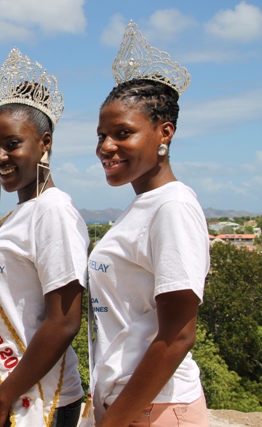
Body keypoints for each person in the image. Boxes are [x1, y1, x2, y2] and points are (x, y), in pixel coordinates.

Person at [88, 21, 210, 427]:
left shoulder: (172, 207)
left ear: (164, 133)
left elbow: (178, 335)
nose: (106, 147)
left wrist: (112, 422)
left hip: (156, 410)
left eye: (123, 133)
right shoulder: (142, 207)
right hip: (128, 406)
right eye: (102, 135)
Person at [0, 48, 88, 427]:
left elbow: (65, 321)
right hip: (7, 395)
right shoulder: (20, 213)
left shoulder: (53, 211)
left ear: (45, 142)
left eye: (11, 144)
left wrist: (0, 401)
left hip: (38, 400)